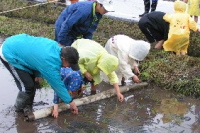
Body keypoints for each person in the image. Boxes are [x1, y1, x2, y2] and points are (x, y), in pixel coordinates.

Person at [0, 33, 79, 116]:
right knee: (27, 86)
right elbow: (58, 86)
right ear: (63, 58)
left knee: (32, 83)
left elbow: (37, 59)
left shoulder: (56, 47)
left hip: (20, 45)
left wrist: (38, 75)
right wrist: (71, 102)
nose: (68, 67)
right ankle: (17, 110)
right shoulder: (50, 64)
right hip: (9, 52)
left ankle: (27, 106)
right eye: (69, 64)